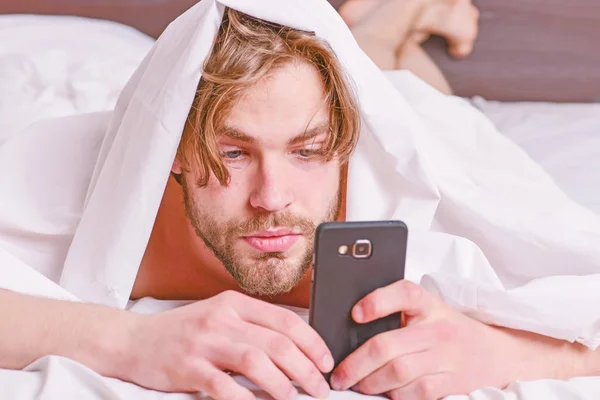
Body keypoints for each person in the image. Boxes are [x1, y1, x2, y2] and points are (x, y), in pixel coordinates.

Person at [1, 1, 600, 400]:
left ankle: (388, 22)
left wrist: (511, 355)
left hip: (421, 115)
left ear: (345, 148)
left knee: (405, 89)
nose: (272, 199)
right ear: (173, 152)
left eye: (308, 151)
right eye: (233, 154)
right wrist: (128, 341)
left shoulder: (419, 187)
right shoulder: (84, 176)